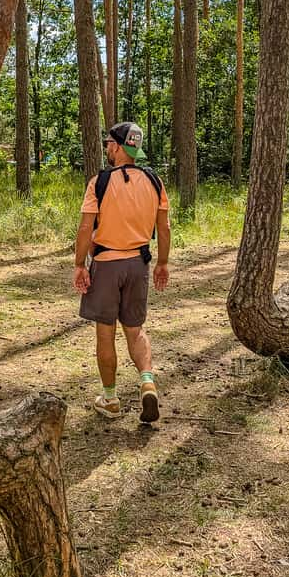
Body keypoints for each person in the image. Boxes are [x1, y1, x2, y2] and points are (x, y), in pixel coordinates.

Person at [73, 122, 170, 423]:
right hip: (138, 265)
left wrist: (79, 264)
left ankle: (111, 398)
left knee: (106, 333)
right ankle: (147, 382)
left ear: (116, 147)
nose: (106, 149)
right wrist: (163, 263)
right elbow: (163, 228)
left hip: (106, 264)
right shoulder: (155, 181)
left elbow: (87, 227)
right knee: (136, 330)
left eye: (108, 144)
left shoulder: (99, 182)